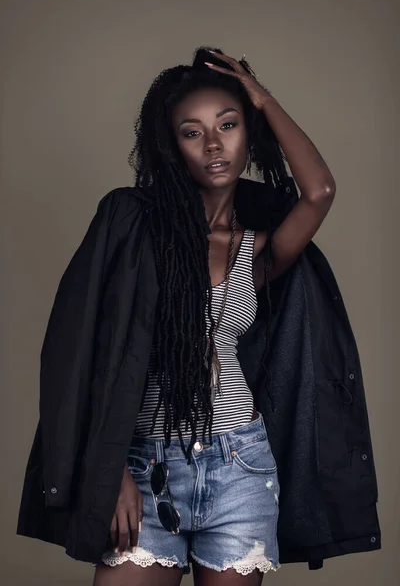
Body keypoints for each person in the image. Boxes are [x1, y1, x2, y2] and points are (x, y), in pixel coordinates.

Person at [16, 47, 381, 586]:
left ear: (248, 134)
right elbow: (74, 349)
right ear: (171, 147)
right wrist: (111, 467)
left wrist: (261, 97)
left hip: (242, 466)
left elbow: (319, 190)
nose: (214, 145)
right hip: (142, 465)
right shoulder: (131, 225)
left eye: (229, 125)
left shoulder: (258, 248)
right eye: (193, 132)